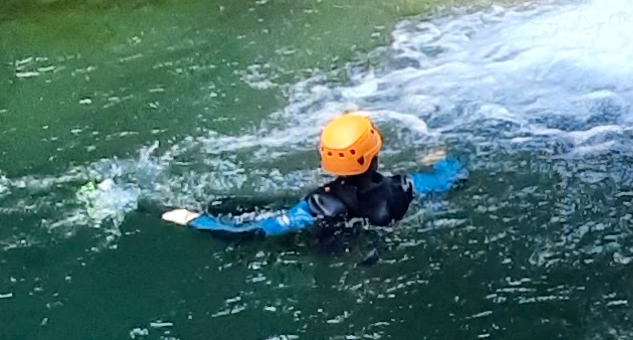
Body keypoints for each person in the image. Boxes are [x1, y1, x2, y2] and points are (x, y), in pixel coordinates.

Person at [162, 112, 464, 239]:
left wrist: (193, 219)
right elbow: (453, 175)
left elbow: (251, 232)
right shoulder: (406, 186)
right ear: (375, 152)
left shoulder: (317, 205)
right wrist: (442, 159)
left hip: (327, 243)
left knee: (243, 206)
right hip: (373, 240)